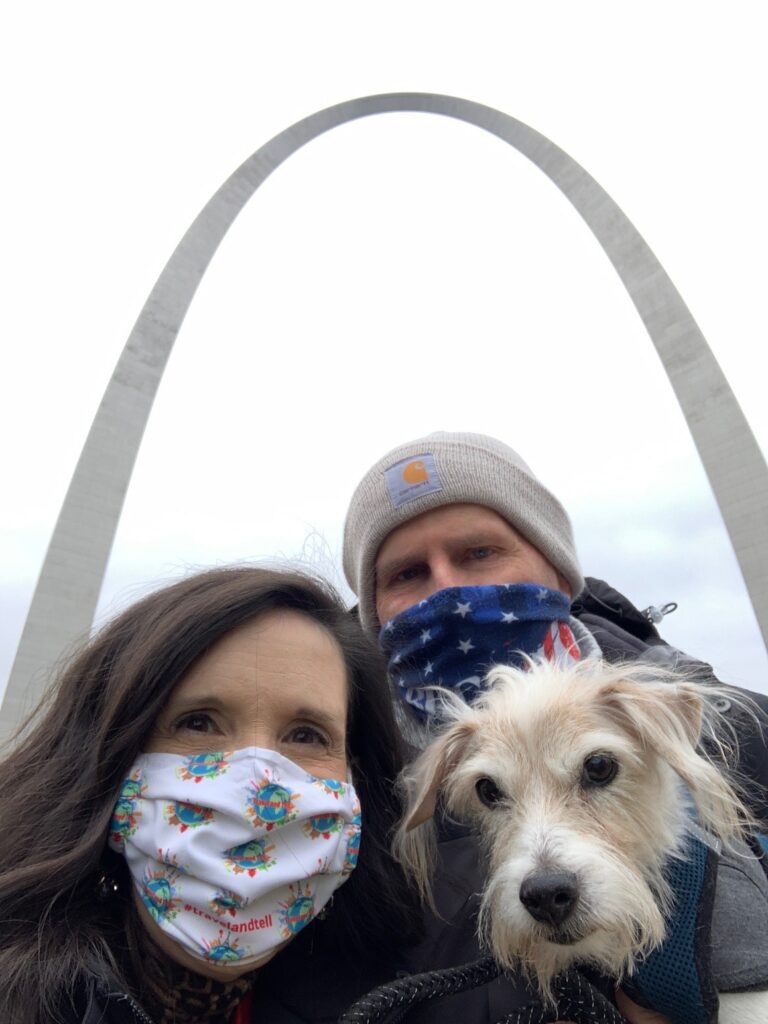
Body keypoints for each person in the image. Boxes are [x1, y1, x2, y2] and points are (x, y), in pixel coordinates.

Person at [342, 430, 768, 1024]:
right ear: (373, 613)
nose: (448, 588)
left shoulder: (747, 729)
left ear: (559, 568)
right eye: (408, 572)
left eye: (478, 553)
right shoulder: (336, 794)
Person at [0, 566, 422, 1024]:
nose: (257, 783)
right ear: (108, 759)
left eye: (306, 735)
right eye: (198, 723)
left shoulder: (409, 998)